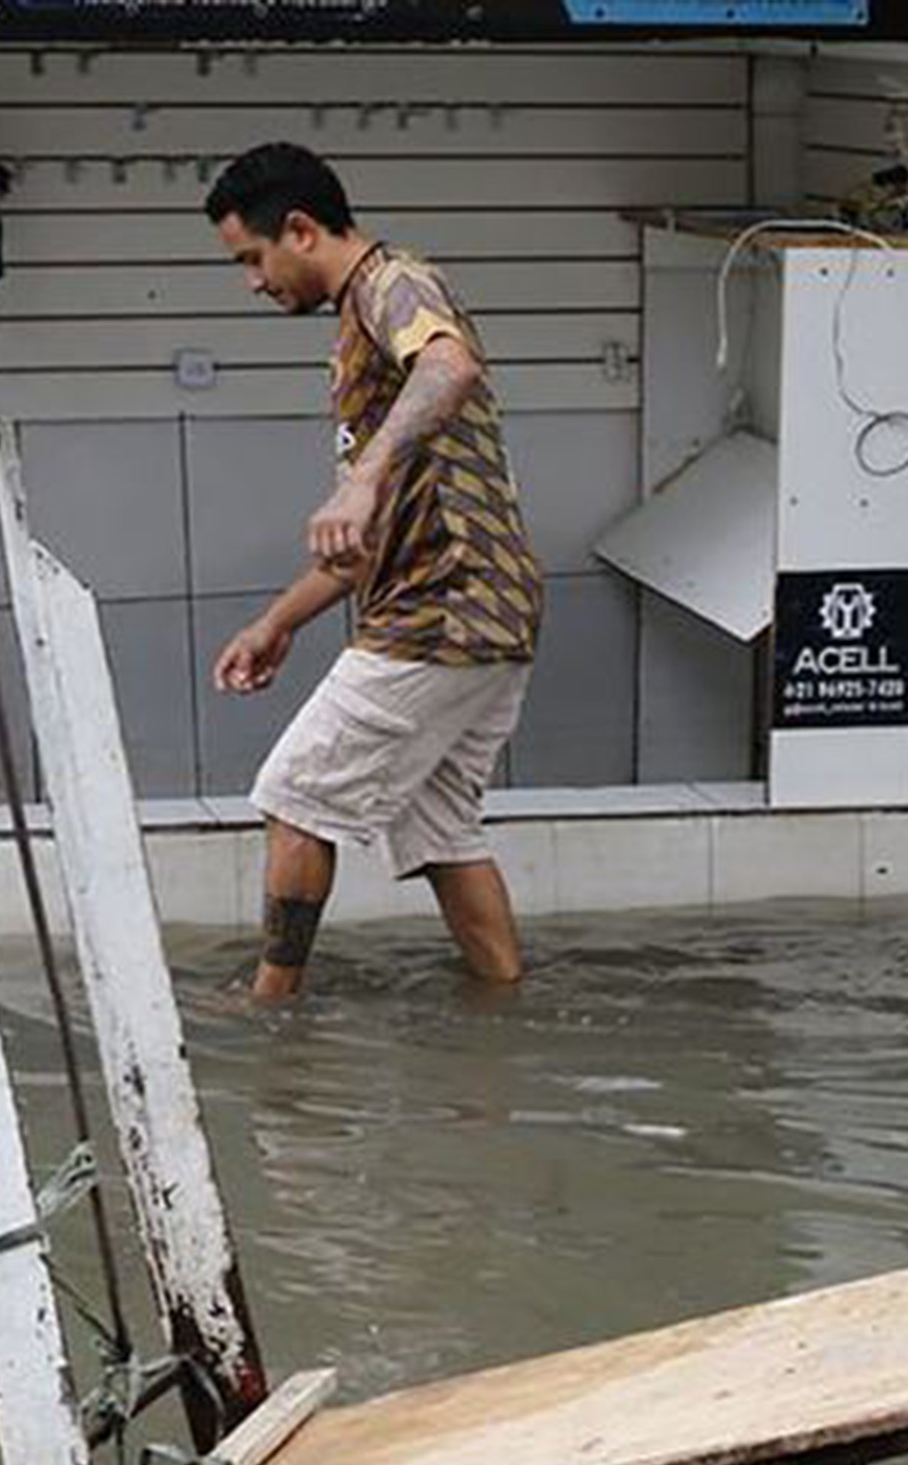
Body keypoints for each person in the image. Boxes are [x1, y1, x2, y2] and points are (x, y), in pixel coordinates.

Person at [204, 142, 543, 998]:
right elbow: (367, 536)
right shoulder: (360, 325)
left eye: (253, 258)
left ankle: (271, 1016)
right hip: (485, 611)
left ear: (302, 229)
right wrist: (278, 622)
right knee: (438, 828)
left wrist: (360, 476)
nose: (253, 282)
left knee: (293, 796)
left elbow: (451, 365)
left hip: (442, 606)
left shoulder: (395, 284)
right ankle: (508, 1006)